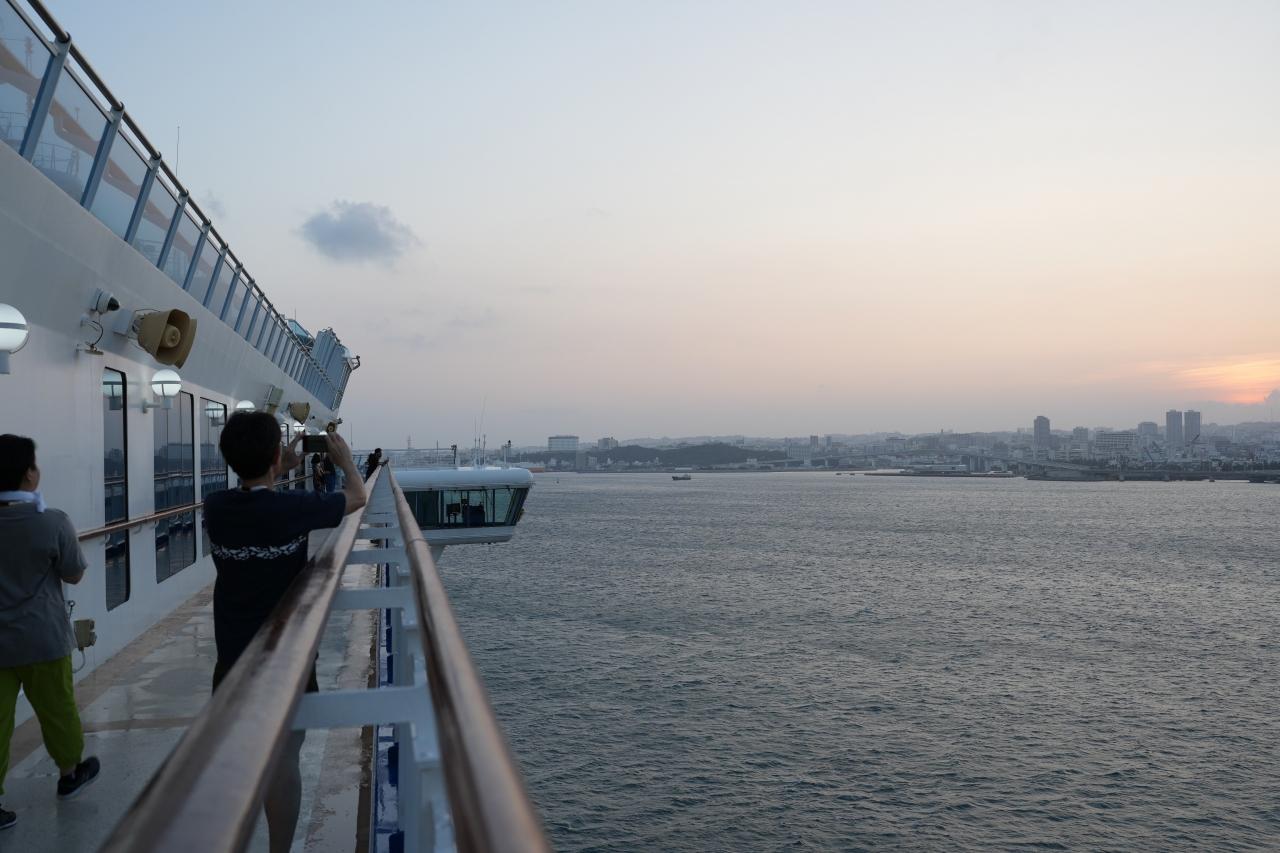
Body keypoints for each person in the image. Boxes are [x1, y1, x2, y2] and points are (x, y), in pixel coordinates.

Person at [202, 413, 366, 853]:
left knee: (234, 761)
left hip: (232, 657)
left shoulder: (215, 508)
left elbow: (255, 501)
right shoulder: (292, 509)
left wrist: (278, 468)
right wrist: (346, 461)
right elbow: (357, 496)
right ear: (277, 455)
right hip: (288, 657)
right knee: (284, 761)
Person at [0, 435, 100, 831]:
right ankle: (69, 774)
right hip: (43, 638)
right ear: (29, 474)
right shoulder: (53, 521)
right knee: (57, 709)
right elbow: (73, 573)